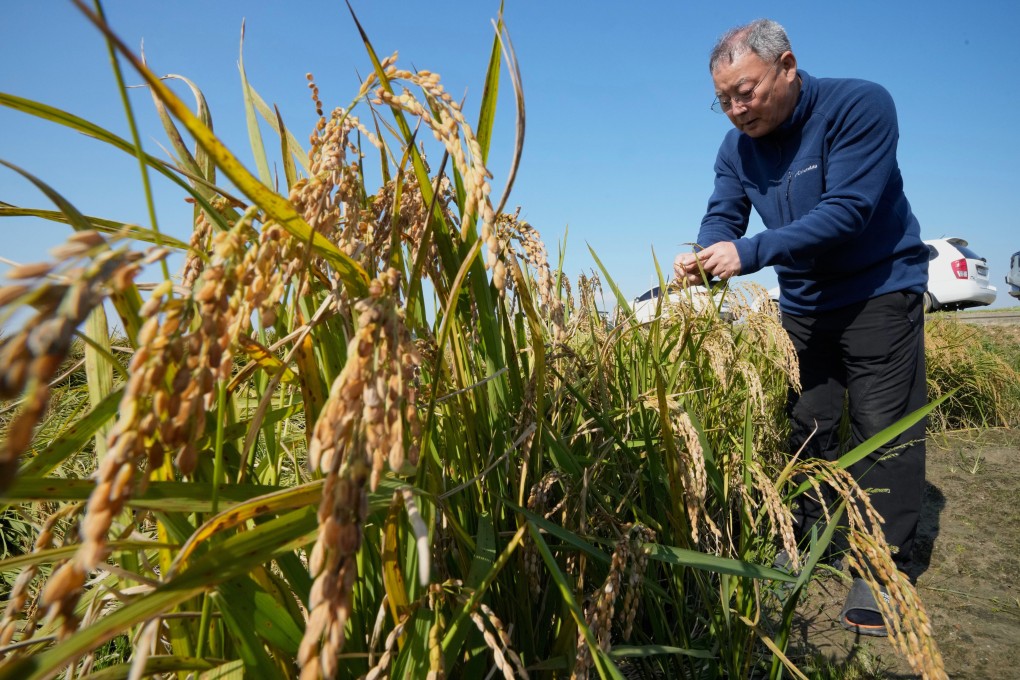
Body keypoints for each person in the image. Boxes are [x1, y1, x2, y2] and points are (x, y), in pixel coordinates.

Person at [674, 18, 929, 637]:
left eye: (747, 91)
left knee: (884, 428)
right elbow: (723, 213)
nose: (736, 110)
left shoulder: (859, 105)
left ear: (787, 65)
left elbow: (848, 210)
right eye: (724, 99)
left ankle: (881, 570)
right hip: (805, 305)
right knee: (810, 423)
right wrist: (708, 255)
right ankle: (805, 536)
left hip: (878, 288)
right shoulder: (736, 149)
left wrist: (749, 253)